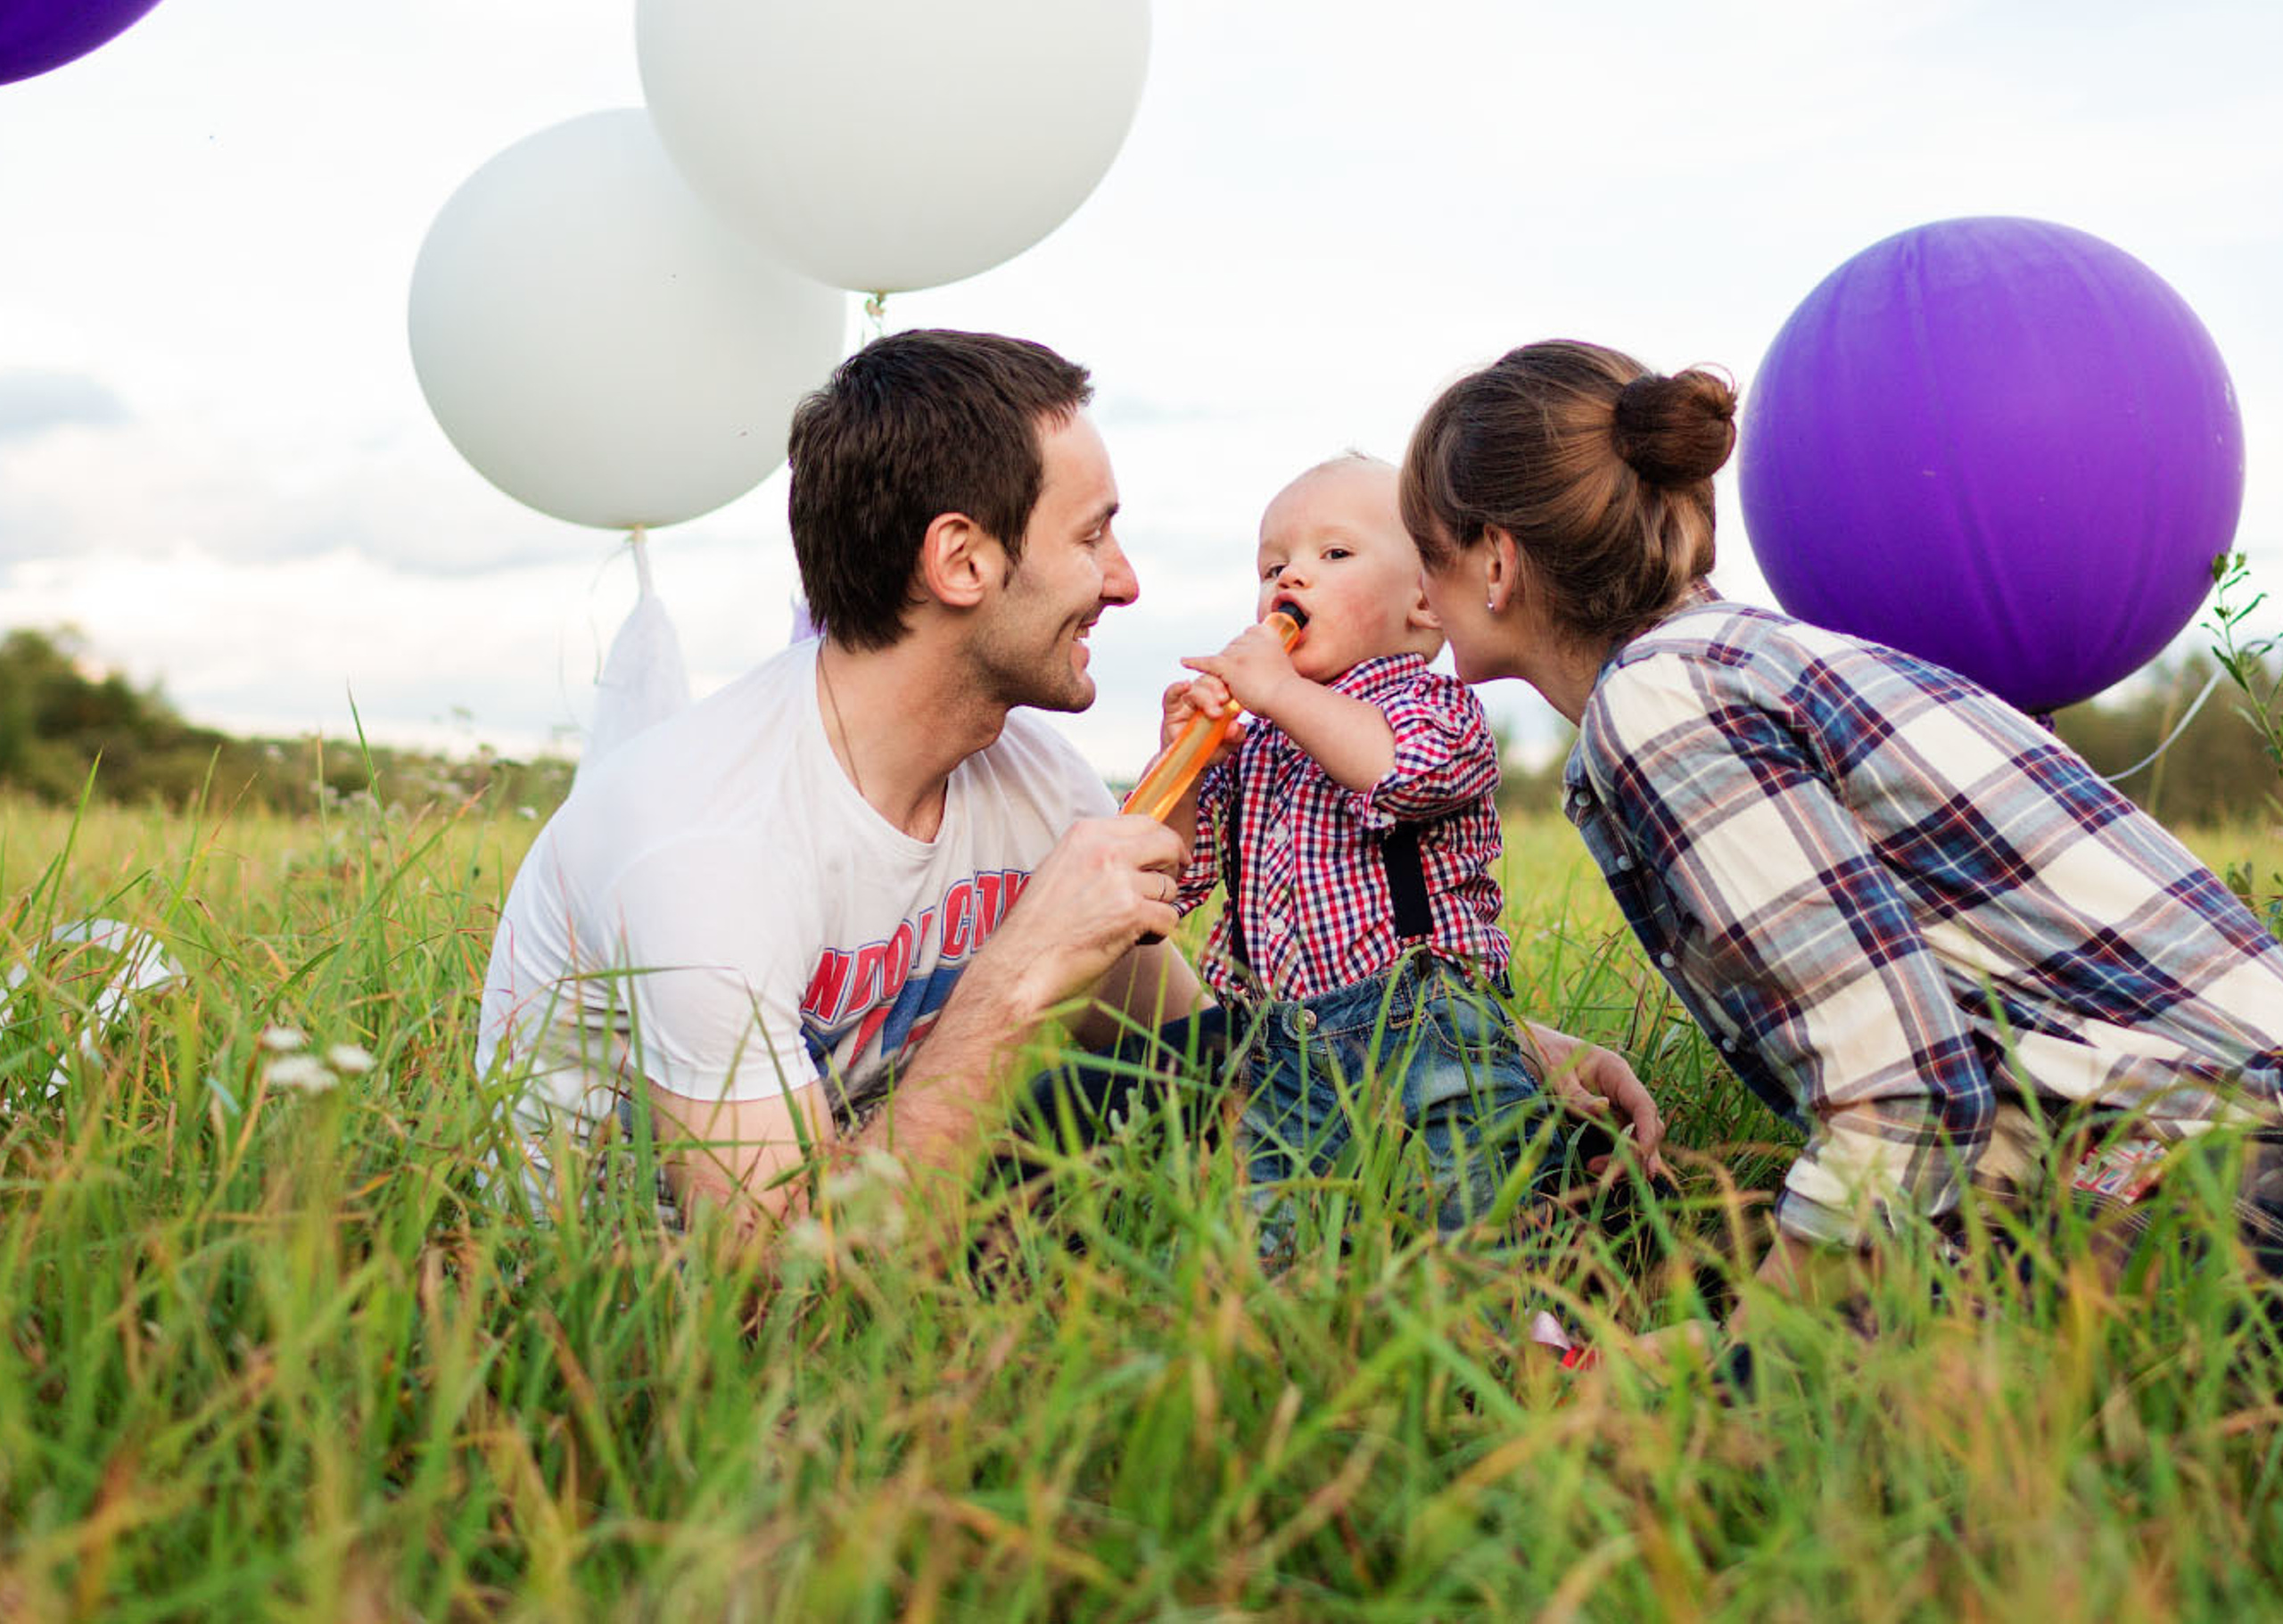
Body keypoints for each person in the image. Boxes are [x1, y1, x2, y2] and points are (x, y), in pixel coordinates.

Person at [1398, 338, 2283, 1318]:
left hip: (2221, 1165)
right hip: (2175, 1138)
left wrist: (1760, 1356)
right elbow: (1961, 1083)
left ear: (1493, 559)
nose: (1415, 591)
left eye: (1421, 550)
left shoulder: (1661, 705)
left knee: (1776, 1398)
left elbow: (1901, 1088)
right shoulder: (1734, 660)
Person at [478, 329, 1203, 1239]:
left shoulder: (1041, 787)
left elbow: (1191, 1064)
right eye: (1092, 534)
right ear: (961, 562)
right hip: (623, 1328)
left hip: (888, 1231)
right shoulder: (711, 845)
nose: (1124, 580)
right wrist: (1021, 971)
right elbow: (776, 1279)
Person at [1159, 453, 1659, 1246]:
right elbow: (1170, 882)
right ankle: (1296, 1345)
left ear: (1425, 604)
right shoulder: (1255, 746)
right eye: (1273, 565)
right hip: (1279, 1039)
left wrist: (1283, 696)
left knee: (1472, 1203)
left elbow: (1400, 774)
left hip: (1425, 1022)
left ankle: (1531, 1336)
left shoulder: (1433, 706)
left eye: (1334, 555)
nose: (1292, 579)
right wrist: (1183, 764)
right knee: (1279, 1227)